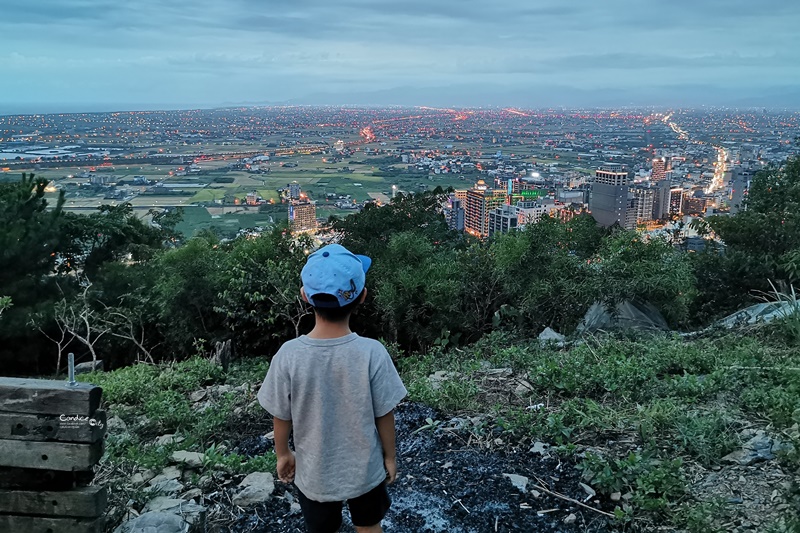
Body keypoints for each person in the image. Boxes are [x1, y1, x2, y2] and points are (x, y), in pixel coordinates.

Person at [258, 243, 407, 533]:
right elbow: (384, 414)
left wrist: (283, 454)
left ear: (304, 296)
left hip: (314, 474)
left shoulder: (289, 355)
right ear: (362, 296)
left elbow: (281, 415)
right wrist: (389, 456)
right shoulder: (372, 352)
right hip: (365, 471)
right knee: (369, 527)